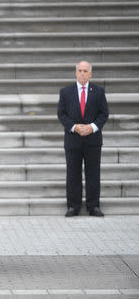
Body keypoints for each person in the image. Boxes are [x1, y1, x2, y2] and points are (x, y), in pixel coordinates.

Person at [58, 61, 109, 217]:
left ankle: (93, 206)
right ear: (75, 72)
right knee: (73, 174)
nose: (82, 73)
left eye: (85, 71)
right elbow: (62, 114)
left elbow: (104, 113)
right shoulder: (66, 92)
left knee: (93, 173)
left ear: (90, 74)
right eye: (80, 70)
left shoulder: (98, 91)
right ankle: (73, 206)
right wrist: (75, 127)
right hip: (73, 139)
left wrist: (92, 127)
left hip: (92, 140)